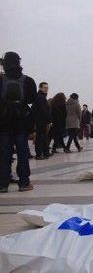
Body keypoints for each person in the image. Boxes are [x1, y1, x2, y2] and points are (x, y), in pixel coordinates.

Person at [0, 51, 36, 192]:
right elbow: (32, 99)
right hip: (21, 123)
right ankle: (24, 183)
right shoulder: (28, 80)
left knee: (4, 155)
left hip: (3, 124)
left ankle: (3, 184)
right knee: (22, 154)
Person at [32, 82, 51, 160]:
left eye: (47, 88)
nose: (46, 89)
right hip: (40, 121)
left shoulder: (41, 96)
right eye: (44, 87)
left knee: (42, 138)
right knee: (40, 138)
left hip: (40, 121)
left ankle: (44, 153)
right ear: (40, 88)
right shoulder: (40, 97)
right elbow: (43, 110)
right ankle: (39, 155)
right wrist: (49, 119)